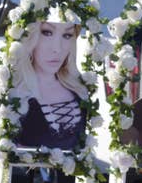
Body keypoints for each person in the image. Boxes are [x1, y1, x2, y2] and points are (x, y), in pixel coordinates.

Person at [11, 20, 88, 150]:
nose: (57, 49)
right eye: (47, 33)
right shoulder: (16, 91)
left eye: (67, 35)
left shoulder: (78, 88)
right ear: (30, 36)